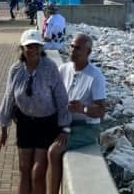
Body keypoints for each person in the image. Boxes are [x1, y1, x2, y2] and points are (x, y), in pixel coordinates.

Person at [0, 30, 71, 194]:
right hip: (25, 123)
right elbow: (9, 98)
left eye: (36, 46)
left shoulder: (50, 67)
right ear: (22, 49)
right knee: (24, 169)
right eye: (29, 47)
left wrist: (65, 128)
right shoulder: (16, 70)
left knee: (38, 172)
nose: (33, 50)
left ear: (41, 48)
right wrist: (3, 129)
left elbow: (61, 98)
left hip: (46, 123)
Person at [47, 33, 107, 194]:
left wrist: (83, 109)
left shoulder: (95, 76)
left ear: (88, 52)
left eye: (78, 48)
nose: (73, 50)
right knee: (38, 143)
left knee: (54, 151)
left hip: (86, 127)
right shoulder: (63, 69)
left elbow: (101, 112)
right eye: (72, 46)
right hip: (65, 123)